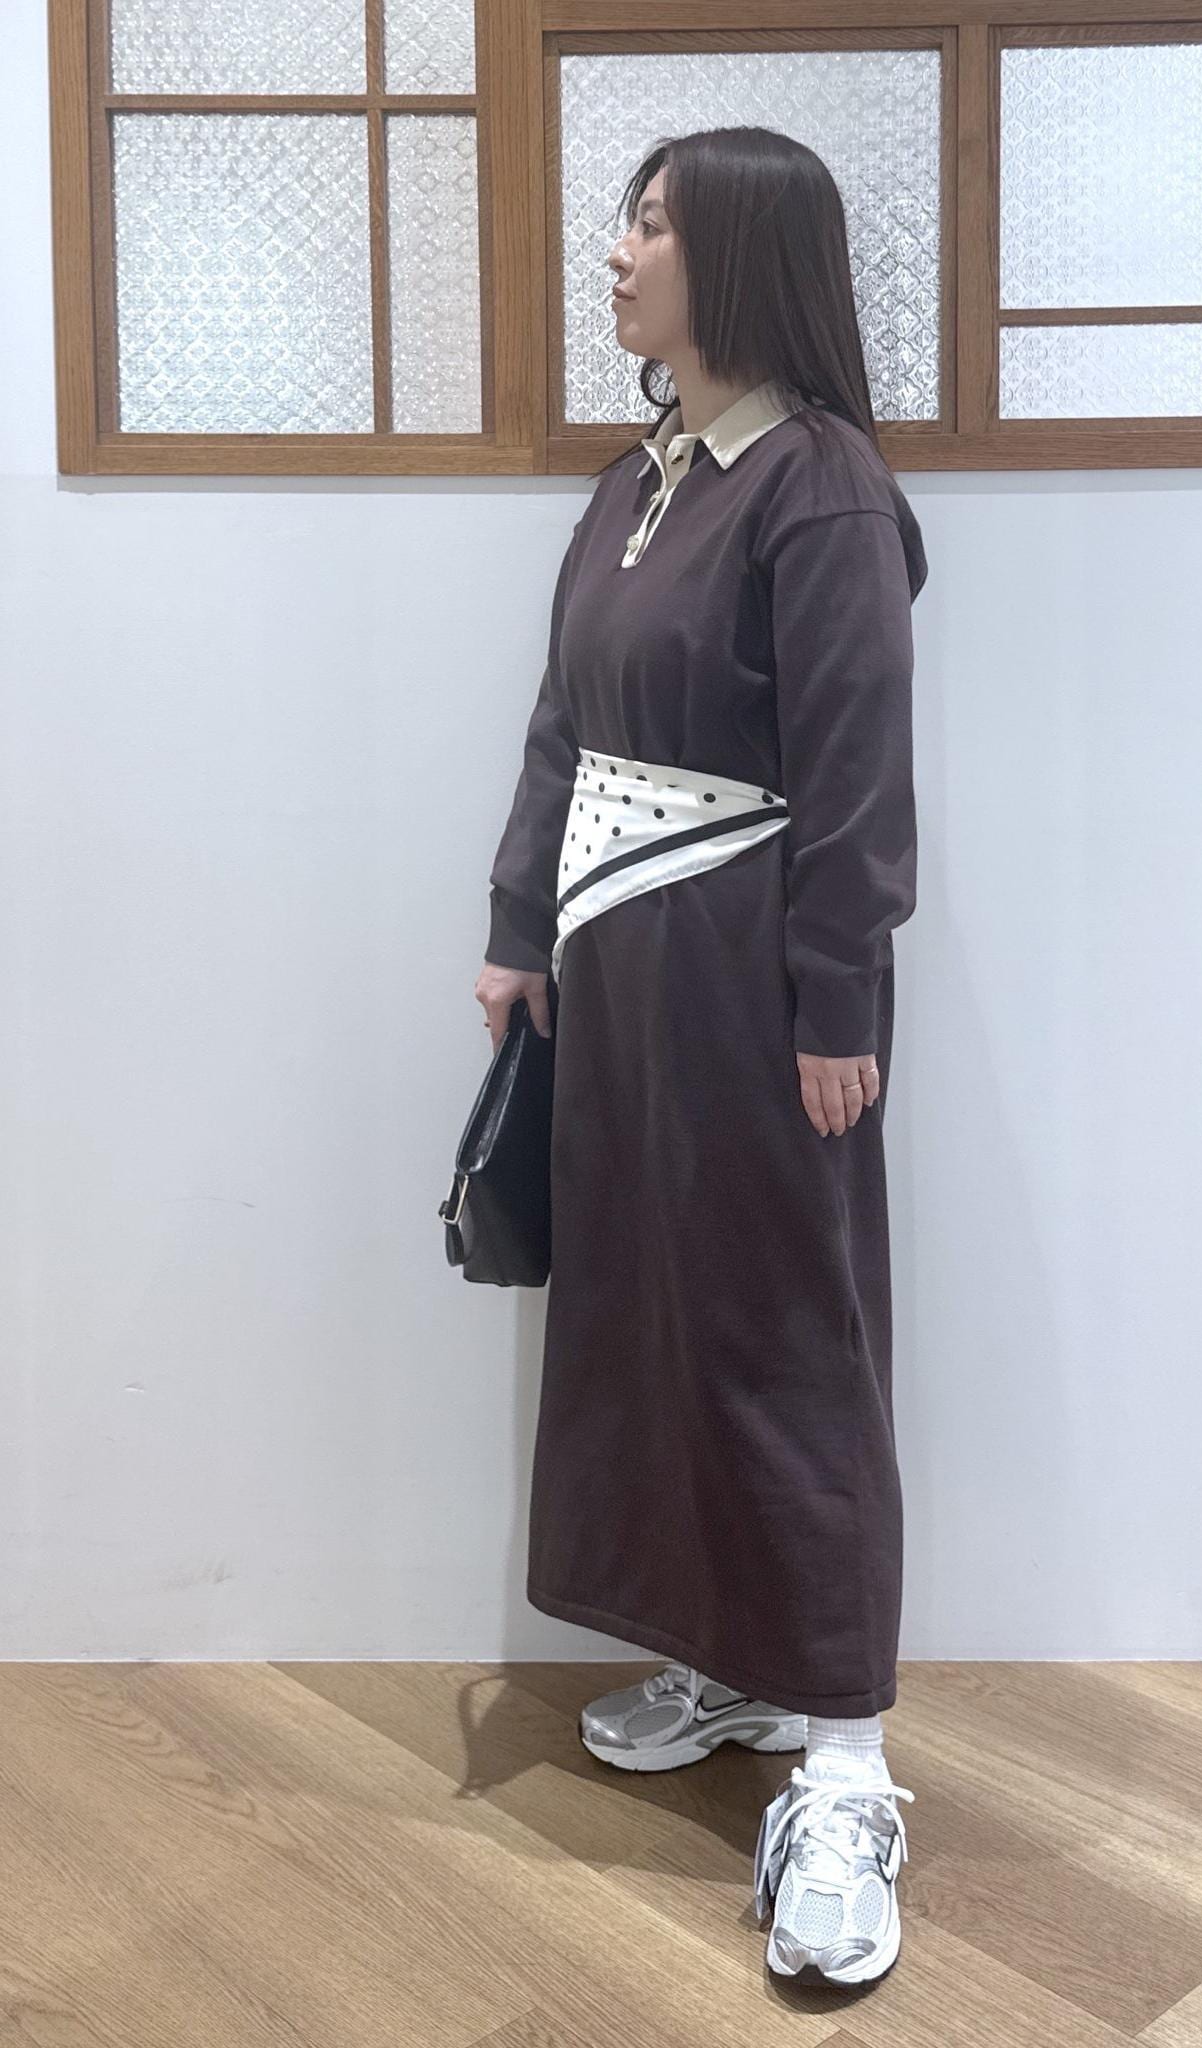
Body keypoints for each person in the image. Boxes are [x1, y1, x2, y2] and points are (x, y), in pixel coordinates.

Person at [475, 126, 928, 1988]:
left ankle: (847, 1760)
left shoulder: (820, 490)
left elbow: (859, 778)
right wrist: (518, 925)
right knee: (652, 1317)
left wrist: (838, 1005)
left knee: (782, 1335)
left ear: (736, 255)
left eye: (649, 224)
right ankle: (737, 1664)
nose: (615, 252)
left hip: (746, 984)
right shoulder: (637, 481)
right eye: (624, 221)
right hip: (615, 977)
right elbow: (561, 727)